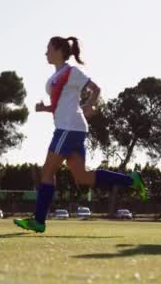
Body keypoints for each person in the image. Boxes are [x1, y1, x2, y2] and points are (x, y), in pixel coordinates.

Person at [14, 37, 147, 233]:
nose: (45, 53)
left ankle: (39, 221)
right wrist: (46, 108)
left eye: (48, 49)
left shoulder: (71, 71)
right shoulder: (57, 75)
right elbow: (62, 104)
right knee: (83, 177)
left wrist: (90, 104)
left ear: (59, 50)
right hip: (72, 128)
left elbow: (96, 89)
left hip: (68, 128)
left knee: (47, 172)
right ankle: (132, 180)